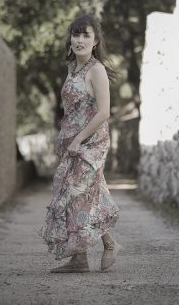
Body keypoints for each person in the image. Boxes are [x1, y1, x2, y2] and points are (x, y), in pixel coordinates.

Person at [38, 14, 122, 273]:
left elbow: (104, 112)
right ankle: (81, 258)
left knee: (78, 194)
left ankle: (106, 246)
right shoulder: (72, 67)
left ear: (95, 41)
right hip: (72, 143)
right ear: (70, 39)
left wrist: (78, 138)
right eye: (76, 34)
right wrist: (67, 138)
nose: (80, 40)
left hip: (91, 141)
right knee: (83, 194)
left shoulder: (96, 70)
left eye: (86, 35)